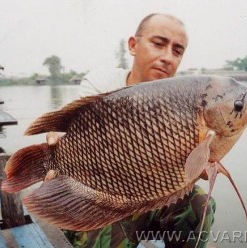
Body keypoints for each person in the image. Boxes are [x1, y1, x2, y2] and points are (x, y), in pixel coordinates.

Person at [48, 13, 215, 248]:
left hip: (154, 194)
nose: (167, 57)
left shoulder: (188, 101)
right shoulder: (101, 84)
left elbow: (201, 170)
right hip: (102, 195)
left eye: (177, 51)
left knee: (199, 202)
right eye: (158, 44)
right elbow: (79, 140)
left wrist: (204, 158)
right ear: (133, 46)